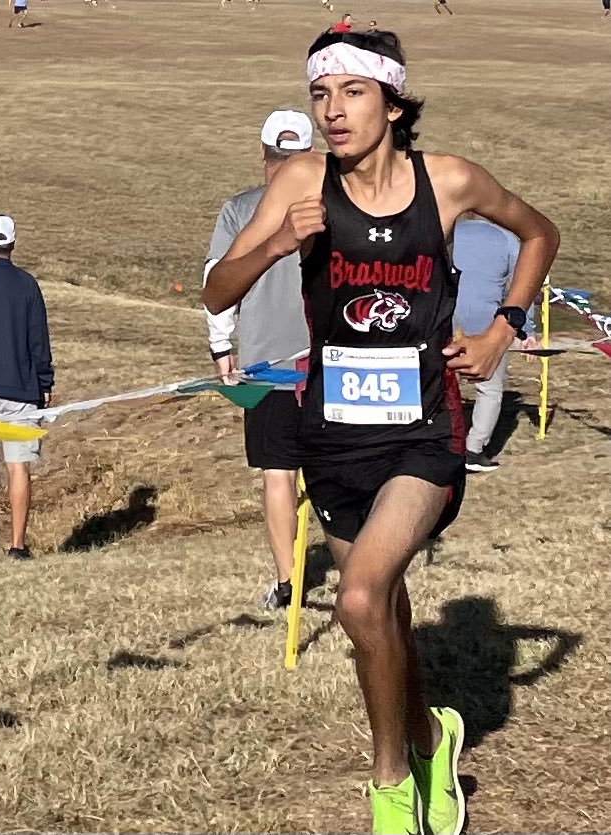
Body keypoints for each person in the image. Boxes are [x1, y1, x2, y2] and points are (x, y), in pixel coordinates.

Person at [203, 29, 559, 835]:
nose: (333, 111)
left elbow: (541, 232)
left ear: (395, 104)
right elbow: (217, 287)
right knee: (384, 614)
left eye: (354, 92)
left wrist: (504, 330)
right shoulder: (299, 179)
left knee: (357, 598)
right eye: (320, 95)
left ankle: (389, 780)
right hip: (329, 433)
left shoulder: (451, 180)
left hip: (423, 432)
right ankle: (434, 734)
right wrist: (279, 244)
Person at [202, 110, 312, 610]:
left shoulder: (239, 209)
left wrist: (223, 350)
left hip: (270, 368)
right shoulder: (334, 206)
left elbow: (217, 285)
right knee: (335, 469)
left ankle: (289, 582)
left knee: (278, 475)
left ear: (263, 155)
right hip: (324, 365)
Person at [0, 215, 54, 561]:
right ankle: (17, 546)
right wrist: (45, 383)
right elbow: (37, 340)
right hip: (20, 393)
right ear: (12, 244)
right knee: (18, 468)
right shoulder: (27, 285)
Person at [454, 217, 539, 472]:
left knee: (437, 385)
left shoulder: (445, 230)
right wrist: (528, 330)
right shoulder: (506, 239)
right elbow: (522, 288)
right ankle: (473, 450)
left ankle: (436, 444)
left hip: (442, 317)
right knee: (489, 390)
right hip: (486, 322)